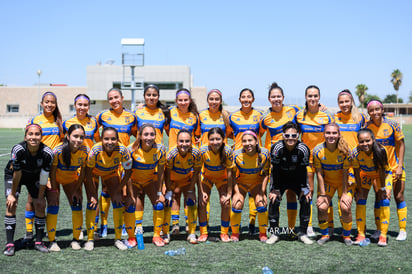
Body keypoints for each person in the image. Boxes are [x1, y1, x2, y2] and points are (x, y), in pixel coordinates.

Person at [4, 124, 54, 256]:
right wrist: (12, 195)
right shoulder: (18, 149)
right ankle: (10, 244)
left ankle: (38, 242)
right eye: (30, 134)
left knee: (40, 204)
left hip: (34, 177)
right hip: (15, 176)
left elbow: (44, 176)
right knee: (11, 204)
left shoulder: (47, 153)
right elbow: (17, 173)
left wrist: (40, 197)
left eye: (37, 134)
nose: (34, 137)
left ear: (41, 137)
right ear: (25, 136)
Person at [84, 127, 134, 250]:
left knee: (117, 200)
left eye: (113, 139)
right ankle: (90, 239)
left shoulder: (123, 150)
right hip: (94, 173)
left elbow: (128, 173)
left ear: (117, 139)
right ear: (101, 139)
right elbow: (88, 173)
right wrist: (92, 194)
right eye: (106, 139)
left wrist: (119, 189)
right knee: (92, 202)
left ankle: (118, 239)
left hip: (111, 173)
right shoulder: (95, 150)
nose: (110, 142)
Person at [96, 88, 137, 237]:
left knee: (125, 192)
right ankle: (104, 225)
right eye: (111, 98)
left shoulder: (131, 117)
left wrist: (131, 147)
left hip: (124, 158)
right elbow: (95, 132)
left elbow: (137, 134)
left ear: (122, 97)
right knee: (106, 190)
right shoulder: (102, 116)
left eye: (116, 97)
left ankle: (124, 225)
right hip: (108, 159)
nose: (114, 101)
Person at [260, 82, 300, 235]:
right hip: (275, 161)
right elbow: (258, 133)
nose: (276, 99)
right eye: (273, 97)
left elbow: (308, 113)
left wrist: (322, 106)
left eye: (278, 96)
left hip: (292, 159)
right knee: (274, 195)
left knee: (291, 194)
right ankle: (275, 230)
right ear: (269, 99)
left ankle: (291, 229)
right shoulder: (265, 117)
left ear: (283, 98)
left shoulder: (293, 110)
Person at [295, 85, 333, 237]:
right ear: (305, 97)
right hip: (307, 161)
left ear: (319, 97)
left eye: (315, 96)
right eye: (310, 96)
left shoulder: (326, 116)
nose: (312, 98)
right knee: (308, 192)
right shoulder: (299, 116)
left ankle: (329, 226)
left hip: (325, 161)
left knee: (325, 193)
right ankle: (308, 225)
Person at [366, 99, 407, 241]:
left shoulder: (392, 124)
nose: (375, 112)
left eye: (377, 109)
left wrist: (400, 166)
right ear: (368, 112)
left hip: (395, 168)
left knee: (398, 196)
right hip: (378, 170)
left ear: (382, 110)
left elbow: (401, 145)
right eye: (371, 110)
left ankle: (402, 229)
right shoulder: (367, 126)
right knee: (379, 196)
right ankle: (379, 229)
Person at [266, 122, 313, 245]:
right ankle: (275, 233)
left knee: (306, 199)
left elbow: (303, 170)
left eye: (293, 135)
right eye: (287, 136)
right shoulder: (277, 148)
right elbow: (274, 169)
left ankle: (303, 233)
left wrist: (304, 188)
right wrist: (275, 189)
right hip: (280, 178)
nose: (290, 138)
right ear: (283, 136)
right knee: (273, 199)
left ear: (298, 135)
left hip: (297, 179)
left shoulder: (303, 149)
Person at [29, 91, 64, 248]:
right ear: (41, 103)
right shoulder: (35, 120)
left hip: (54, 167)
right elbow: (29, 139)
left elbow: (62, 141)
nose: (50, 105)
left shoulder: (59, 122)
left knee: (53, 199)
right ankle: (30, 234)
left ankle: (51, 238)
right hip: (37, 167)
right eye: (47, 102)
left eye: (53, 102)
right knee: (33, 199)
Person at [63, 93, 100, 238]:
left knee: (93, 195)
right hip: (74, 166)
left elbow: (98, 141)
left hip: (91, 166)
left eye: (85, 105)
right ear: (75, 105)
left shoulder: (94, 122)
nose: (82, 107)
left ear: (88, 106)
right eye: (80, 104)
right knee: (77, 197)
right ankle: (79, 230)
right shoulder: (67, 123)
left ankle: (94, 229)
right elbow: (64, 143)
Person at [165, 88, 200, 235]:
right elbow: (166, 129)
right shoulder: (170, 112)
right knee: (174, 193)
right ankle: (174, 225)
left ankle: (188, 224)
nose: (183, 102)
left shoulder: (194, 117)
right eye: (180, 100)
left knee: (187, 192)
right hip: (173, 157)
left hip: (189, 158)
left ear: (190, 101)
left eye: (186, 100)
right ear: (176, 101)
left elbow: (197, 136)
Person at [48, 124, 89, 251]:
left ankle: (76, 240)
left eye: (81, 137)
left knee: (77, 204)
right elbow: (52, 172)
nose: (78, 140)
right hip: (54, 179)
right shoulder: (58, 150)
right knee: (53, 205)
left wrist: (77, 189)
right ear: (68, 136)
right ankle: (52, 241)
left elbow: (83, 172)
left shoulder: (85, 151)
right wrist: (54, 191)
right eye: (75, 136)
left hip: (70, 180)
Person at [313, 123, 355, 246]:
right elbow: (319, 174)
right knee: (322, 206)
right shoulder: (317, 151)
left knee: (345, 207)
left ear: (338, 134)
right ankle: (325, 234)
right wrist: (322, 194)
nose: (331, 136)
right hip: (328, 183)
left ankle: (347, 236)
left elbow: (345, 173)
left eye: (334, 133)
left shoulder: (345, 150)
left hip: (344, 183)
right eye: (328, 133)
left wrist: (344, 194)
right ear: (324, 134)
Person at [229, 88, 264, 235]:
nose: (246, 99)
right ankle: (235, 227)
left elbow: (261, 132)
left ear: (253, 99)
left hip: (256, 157)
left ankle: (252, 222)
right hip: (238, 158)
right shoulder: (233, 116)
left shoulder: (260, 115)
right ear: (239, 99)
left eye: (249, 97)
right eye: (243, 97)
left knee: (256, 192)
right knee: (237, 192)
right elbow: (228, 132)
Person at [333, 89, 366, 234]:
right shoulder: (335, 117)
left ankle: (361, 229)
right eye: (341, 102)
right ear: (338, 103)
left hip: (359, 164)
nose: (344, 104)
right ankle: (345, 229)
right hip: (341, 164)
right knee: (344, 197)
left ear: (352, 101)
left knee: (360, 196)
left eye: (347, 101)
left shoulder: (360, 118)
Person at [128, 124, 167, 246]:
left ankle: (156, 236)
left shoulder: (160, 149)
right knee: (130, 204)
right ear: (139, 136)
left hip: (149, 181)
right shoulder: (130, 150)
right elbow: (126, 174)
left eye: (152, 134)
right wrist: (128, 193)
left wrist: (160, 192)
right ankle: (132, 235)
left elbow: (161, 172)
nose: (149, 137)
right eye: (146, 134)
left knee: (160, 204)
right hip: (133, 182)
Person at [352, 128, 392, 246]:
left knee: (384, 200)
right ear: (358, 142)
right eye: (362, 141)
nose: (365, 144)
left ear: (373, 140)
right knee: (360, 200)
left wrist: (384, 189)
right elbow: (356, 171)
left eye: (367, 141)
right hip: (365, 174)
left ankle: (383, 235)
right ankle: (361, 234)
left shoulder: (381, 150)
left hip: (383, 176)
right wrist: (359, 190)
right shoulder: (355, 152)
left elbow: (381, 172)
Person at [231, 130, 269, 242]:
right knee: (237, 204)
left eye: (250, 140)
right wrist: (237, 193)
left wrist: (262, 192)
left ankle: (263, 233)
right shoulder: (236, 155)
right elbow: (232, 176)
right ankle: (235, 233)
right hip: (241, 183)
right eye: (244, 141)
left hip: (256, 183)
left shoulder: (264, 154)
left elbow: (266, 174)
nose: (247, 143)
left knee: (261, 203)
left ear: (256, 141)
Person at [164, 129, 202, 244]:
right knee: (168, 201)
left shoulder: (196, 153)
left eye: (187, 141)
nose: (184, 144)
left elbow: (196, 172)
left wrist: (191, 189)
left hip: (187, 179)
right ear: (176, 142)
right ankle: (168, 231)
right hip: (173, 180)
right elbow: (166, 172)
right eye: (181, 141)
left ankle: (191, 232)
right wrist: (168, 189)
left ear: (191, 142)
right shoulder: (171, 154)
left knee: (191, 200)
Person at [198, 127, 234, 242]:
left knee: (226, 202)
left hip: (222, 179)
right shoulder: (203, 150)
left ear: (223, 139)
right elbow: (198, 172)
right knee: (202, 201)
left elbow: (229, 174)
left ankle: (224, 233)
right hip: (207, 178)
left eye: (218, 139)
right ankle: (203, 232)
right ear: (208, 140)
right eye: (212, 139)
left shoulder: (227, 150)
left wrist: (229, 193)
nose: (215, 142)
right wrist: (201, 191)